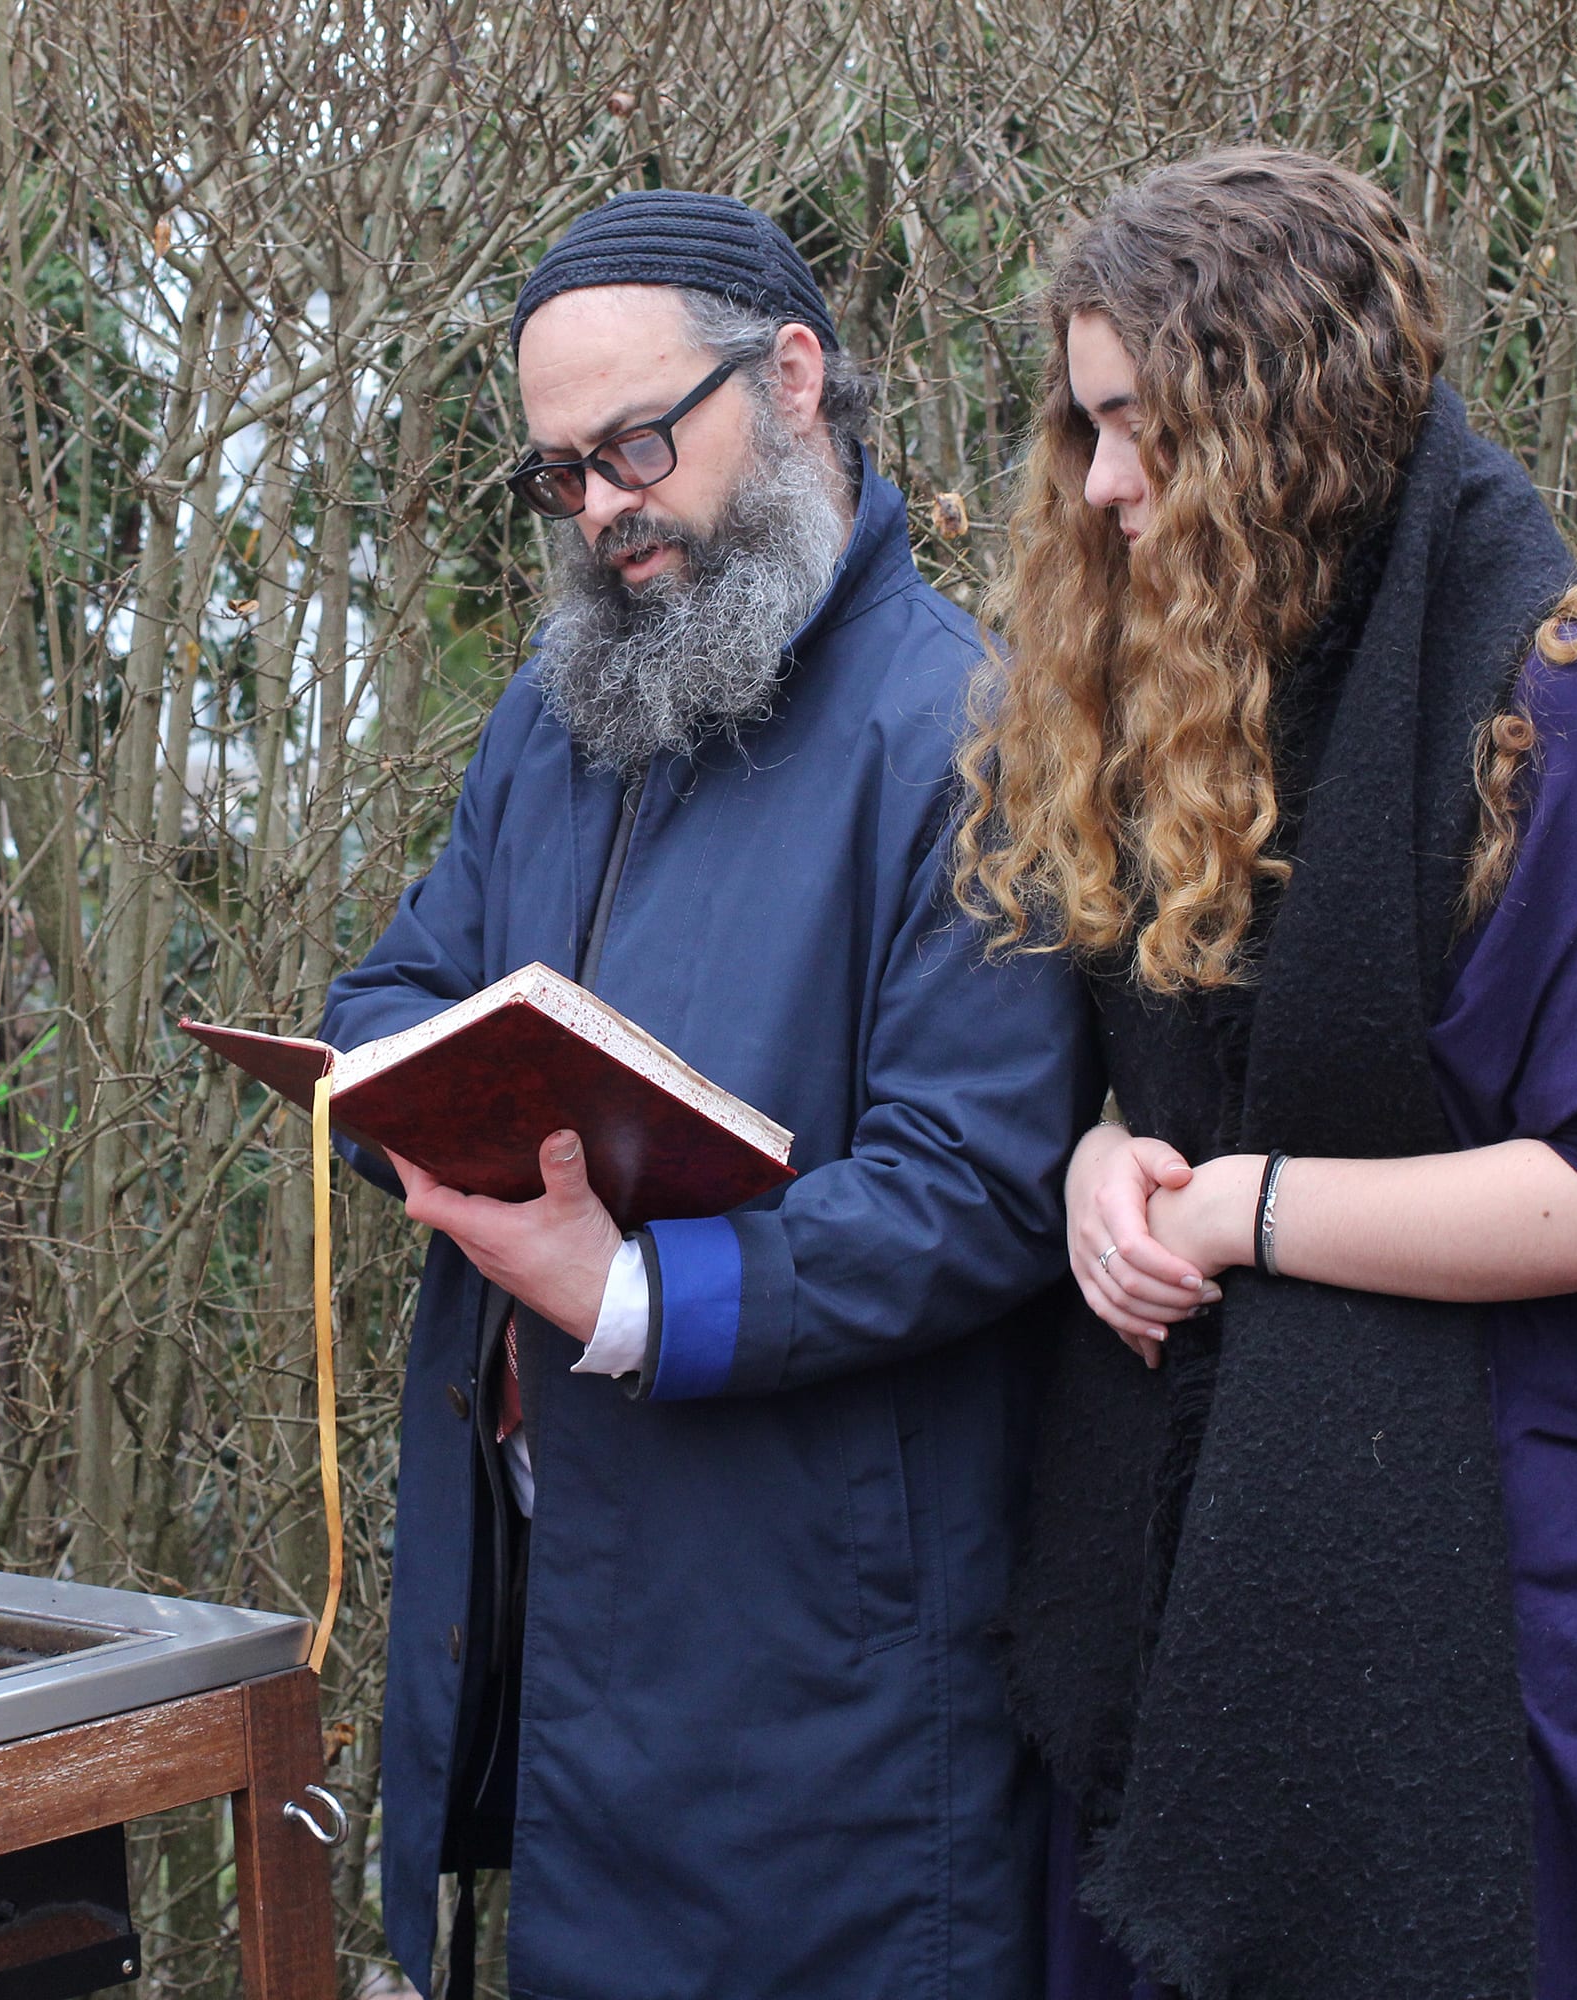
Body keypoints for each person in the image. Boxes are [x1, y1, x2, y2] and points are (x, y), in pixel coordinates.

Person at [953, 149, 1577, 2000]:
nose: (1102, 485)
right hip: (1189, 1556)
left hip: (1489, 1612)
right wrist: (1105, 1159)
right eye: (1085, 427)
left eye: (1141, 428)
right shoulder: (1184, 691)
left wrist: (1244, 1209)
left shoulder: (1572, 709)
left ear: (1288, 421)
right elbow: (1173, 1073)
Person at [322, 190, 1094, 2000]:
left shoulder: (969, 731)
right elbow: (395, 989)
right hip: (567, 1636)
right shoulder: (553, 713)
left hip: (828, 1683)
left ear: (797, 378)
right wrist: (433, 1116)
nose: (603, 511)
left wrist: (637, 1293)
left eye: (636, 447)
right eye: (560, 476)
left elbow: (978, 1184)